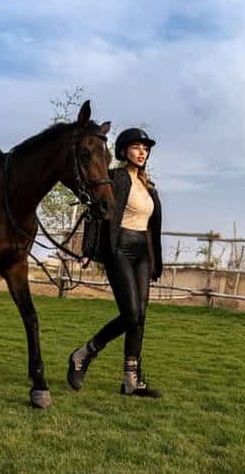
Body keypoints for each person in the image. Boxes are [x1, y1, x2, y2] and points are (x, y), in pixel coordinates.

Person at [67, 127, 163, 398]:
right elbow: (96, 211)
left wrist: (156, 261)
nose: (142, 152)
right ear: (123, 151)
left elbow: (153, 228)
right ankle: (84, 354)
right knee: (131, 314)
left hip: (143, 252)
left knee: (139, 318)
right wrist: (88, 248)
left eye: (145, 148)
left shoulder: (149, 187)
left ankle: (132, 381)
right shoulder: (116, 178)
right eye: (136, 147)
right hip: (119, 248)